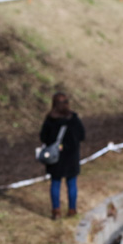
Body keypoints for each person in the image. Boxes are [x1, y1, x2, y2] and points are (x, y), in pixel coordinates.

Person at [40, 92, 85, 220]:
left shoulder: (50, 119)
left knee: (55, 183)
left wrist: (55, 145)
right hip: (71, 157)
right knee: (71, 184)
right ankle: (72, 209)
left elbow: (43, 137)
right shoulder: (73, 119)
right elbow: (82, 135)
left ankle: (56, 210)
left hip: (55, 157)